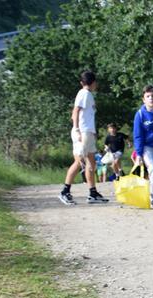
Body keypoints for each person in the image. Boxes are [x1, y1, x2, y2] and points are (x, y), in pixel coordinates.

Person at [58, 70, 108, 205]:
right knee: (80, 161)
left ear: (82, 82)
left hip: (88, 132)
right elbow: (75, 111)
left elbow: (87, 116)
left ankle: (93, 193)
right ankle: (65, 191)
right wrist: (77, 129)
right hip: (82, 132)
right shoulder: (84, 94)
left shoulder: (89, 95)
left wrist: (93, 132)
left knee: (91, 163)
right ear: (94, 83)